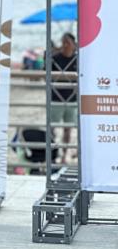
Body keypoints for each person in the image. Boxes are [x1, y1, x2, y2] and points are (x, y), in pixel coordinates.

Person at [51, 32, 78, 164]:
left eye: (68, 42)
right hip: (56, 98)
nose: (65, 45)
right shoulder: (55, 58)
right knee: (52, 128)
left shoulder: (78, 59)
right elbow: (46, 74)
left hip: (72, 99)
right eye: (63, 42)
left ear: (74, 45)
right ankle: (52, 154)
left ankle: (64, 155)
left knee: (68, 129)